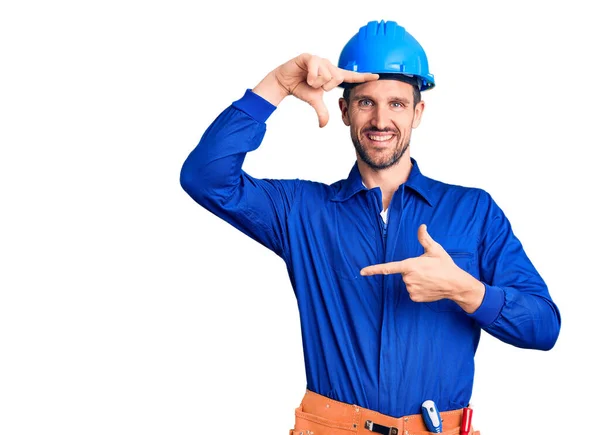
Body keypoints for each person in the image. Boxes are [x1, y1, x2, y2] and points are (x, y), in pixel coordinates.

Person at [180, 20, 561, 435]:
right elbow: (205, 177)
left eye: (397, 104)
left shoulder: (474, 211)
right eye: (365, 103)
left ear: (418, 112)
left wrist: (464, 289)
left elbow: (543, 327)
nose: (381, 120)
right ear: (344, 111)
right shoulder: (302, 211)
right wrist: (276, 85)